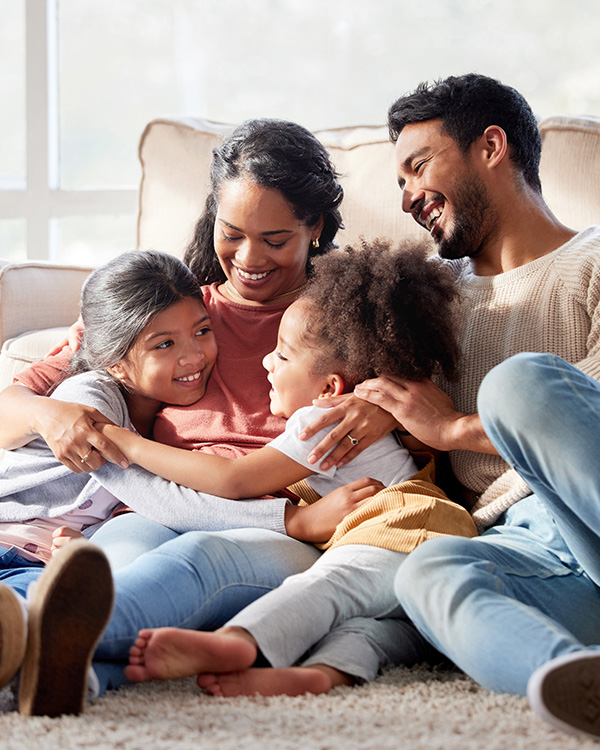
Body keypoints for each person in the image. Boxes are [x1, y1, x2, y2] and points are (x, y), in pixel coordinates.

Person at [0, 119, 403, 713]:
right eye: (232, 233)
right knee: (114, 566)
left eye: (275, 239)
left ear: (315, 228)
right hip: (158, 502)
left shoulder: (342, 319)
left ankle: (25, 644)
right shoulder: (175, 311)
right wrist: (49, 414)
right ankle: (70, 678)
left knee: (197, 563)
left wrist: (382, 410)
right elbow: (23, 395)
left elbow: (416, 398)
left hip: (276, 516)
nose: (249, 258)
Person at [307, 74, 600, 740]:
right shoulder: (423, 295)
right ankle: (573, 680)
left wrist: (458, 427)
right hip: (524, 549)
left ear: (491, 146)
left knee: (517, 386)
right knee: (428, 572)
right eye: (400, 182)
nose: (407, 195)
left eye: (417, 167)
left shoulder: (594, 258)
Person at [91, 240, 477, 697]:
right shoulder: (343, 411)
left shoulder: (321, 420)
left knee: (330, 587)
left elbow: (232, 480)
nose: (266, 362)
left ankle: (239, 642)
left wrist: (129, 444)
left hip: (407, 527)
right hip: (420, 539)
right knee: (371, 625)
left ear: (331, 386)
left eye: (284, 355)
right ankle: (319, 675)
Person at [0, 247, 219, 713]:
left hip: (35, 563)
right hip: (8, 540)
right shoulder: (91, 403)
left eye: (202, 331)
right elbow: (160, 496)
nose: (194, 354)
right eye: (165, 344)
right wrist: (294, 521)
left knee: (35, 612)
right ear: (115, 363)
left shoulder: (172, 419)